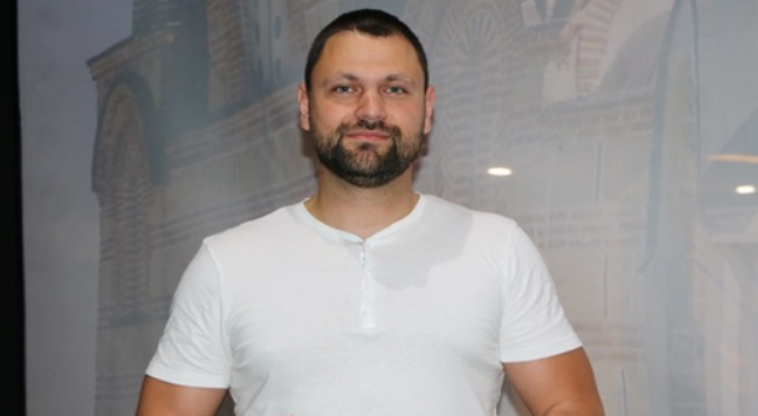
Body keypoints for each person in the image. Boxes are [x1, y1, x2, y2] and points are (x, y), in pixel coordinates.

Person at [136, 8, 604, 416]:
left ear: (427, 109)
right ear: (305, 106)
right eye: (344, 88)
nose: (371, 110)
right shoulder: (226, 263)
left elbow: (569, 405)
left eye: (395, 89)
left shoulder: (498, 248)